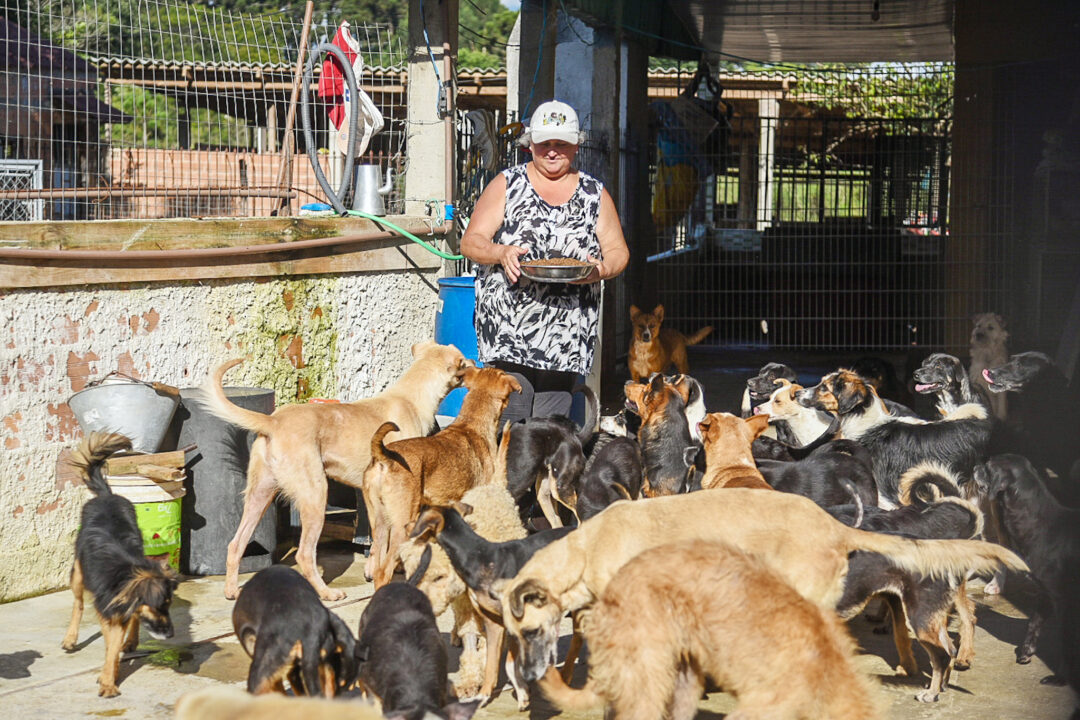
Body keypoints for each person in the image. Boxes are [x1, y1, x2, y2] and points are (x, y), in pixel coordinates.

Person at [460, 100, 629, 424]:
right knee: (511, 418)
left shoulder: (594, 193)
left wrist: (601, 270)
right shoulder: (507, 184)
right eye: (545, 144)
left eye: (561, 144)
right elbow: (471, 241)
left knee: (550, 428)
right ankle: (510, 476)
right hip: (509, 327)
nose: (552, 151)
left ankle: (544, 476)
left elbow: (619, 252)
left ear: (575, 145)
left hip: (565, 333)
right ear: (530, 144)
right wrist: (501, 252)